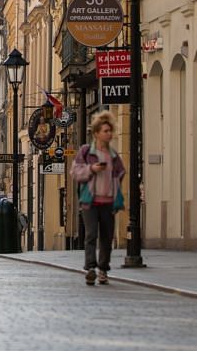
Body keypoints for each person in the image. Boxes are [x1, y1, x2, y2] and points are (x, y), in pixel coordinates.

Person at [70, 110, 126, 286]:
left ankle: (103, 269)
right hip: (90, 201)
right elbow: (75, 172)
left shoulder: (114, 156)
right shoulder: (87, 152)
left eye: (110, 131)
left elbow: (120, 173)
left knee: (107, 237)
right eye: (105, 131)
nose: (108, 134)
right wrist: (91, 169)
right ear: (96, 133)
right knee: (91, 234)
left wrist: (115, 188)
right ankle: (91, 268)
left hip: (108, 201)